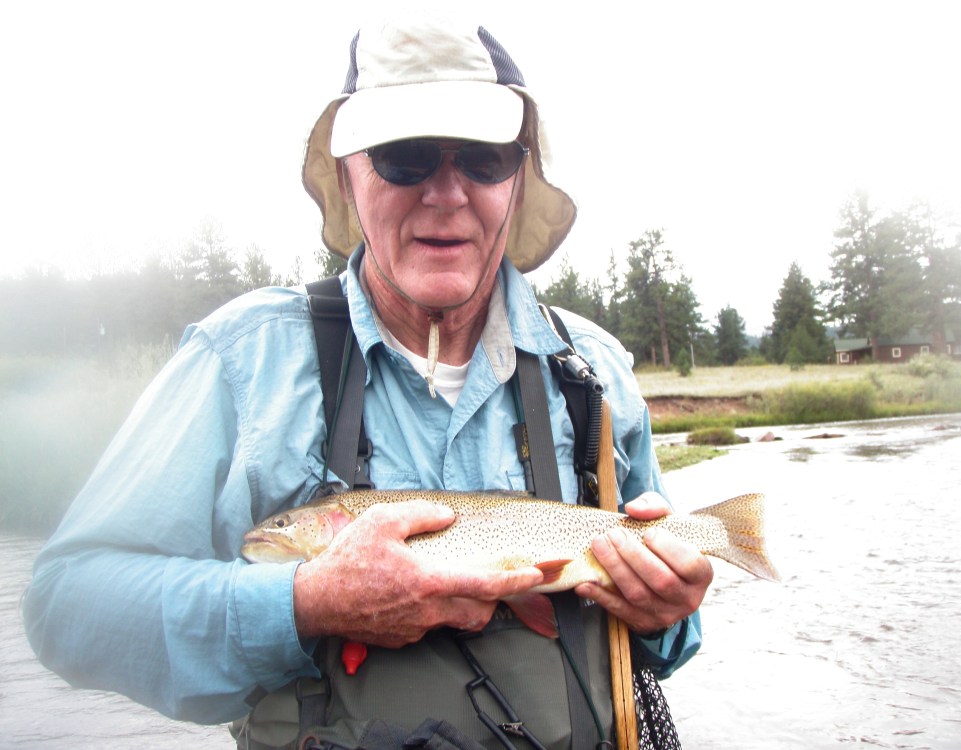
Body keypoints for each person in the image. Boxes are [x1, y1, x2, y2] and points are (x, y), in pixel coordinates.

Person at [23, 14, 713, 750]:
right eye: (405, 156)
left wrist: (666, 610)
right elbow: (66, 609)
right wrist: (303, 603)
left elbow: (666, 646)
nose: (446, 193)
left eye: (483, 159)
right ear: (349, 177)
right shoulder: (243, 360)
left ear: (519, 183)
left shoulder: (593, 370)